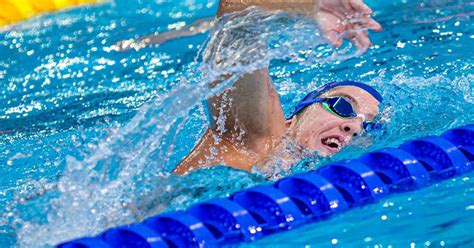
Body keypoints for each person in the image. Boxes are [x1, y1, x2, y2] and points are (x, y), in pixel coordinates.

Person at [173, 0, 384, 175]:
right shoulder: (260, 140)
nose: (355, 127)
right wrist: (308, 6)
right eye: (342, 106)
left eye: (368, 126)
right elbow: (235, 17)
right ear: (291, 122)